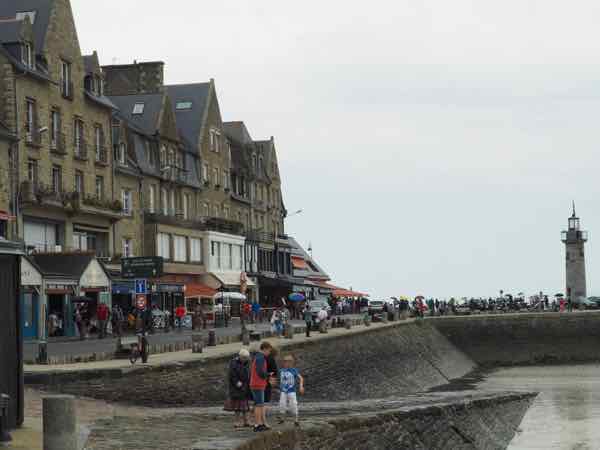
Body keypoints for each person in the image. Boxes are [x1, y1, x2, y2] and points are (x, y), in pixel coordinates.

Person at [250, 341, 274, 432]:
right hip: (258, 384)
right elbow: (260, 372)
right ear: (264, 349)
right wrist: (268, 374)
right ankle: (257, 424)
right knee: (259, 405)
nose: (269, 353)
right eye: (269, 351)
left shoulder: (257, 357)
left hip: (256, 383)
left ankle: (259, 423)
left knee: (259, 404)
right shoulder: (260, 358)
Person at [227, 349, 252, 428]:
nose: (245, 359)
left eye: (246, 358)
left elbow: (249, 372)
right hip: (236, 387)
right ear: (240, 356)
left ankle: (246, 421)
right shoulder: (233, 363)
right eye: (244, 357)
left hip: (246, 386)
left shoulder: (247, 362)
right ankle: (237, 422)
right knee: (237, 406)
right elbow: (232, 375)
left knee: (246, 406)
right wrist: (237, 383)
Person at [278, 354, 305, 426]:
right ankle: (282, 419)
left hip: (291, 391)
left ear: (292, 362)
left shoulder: (294, 370)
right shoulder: (281, 370)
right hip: (283, 391)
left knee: (293, 404)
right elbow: (275, 377)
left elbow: (301, 378)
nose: (287, 363)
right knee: (282, 404)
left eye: (289, 361)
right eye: (285, 361)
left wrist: (301, 386)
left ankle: (296, 420)